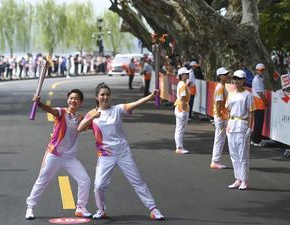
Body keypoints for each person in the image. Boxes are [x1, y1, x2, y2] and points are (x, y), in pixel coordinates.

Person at [77, 82, 164, 220]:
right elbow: (80, 128)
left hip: (123, 153)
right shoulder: (92, 114)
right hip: (105, 155)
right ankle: (101, 210)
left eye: (107, 95)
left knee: (137, 181)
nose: (105, 97)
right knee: (99, 185)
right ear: (97, 97)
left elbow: (135, 103)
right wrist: (93, 116)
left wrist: (151, 96)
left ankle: (153, 209)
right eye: (102, 95)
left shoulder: (117, 109)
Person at [25, 89, 92, 220]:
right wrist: (40, 104)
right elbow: (51, 110)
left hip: (70, 158)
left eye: (76, 99)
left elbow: (92, 126)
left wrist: (97, 116)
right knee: (42, 180)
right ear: (68, 100)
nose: (73, 100)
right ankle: (30, 207)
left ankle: (81, 208)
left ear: (80, 102)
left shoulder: (80, 119)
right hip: (54, 155)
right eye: (71, 98)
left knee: (85, 180)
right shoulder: (61, 112)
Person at [226, 70, 255, 190]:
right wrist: (227, 124)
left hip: (242, 124)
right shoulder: (231, 94)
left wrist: (250, 128)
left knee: (243, 155)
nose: (236, 81)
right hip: (232, 125)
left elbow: (251, 112)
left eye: (239, 79)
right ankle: (237, 179)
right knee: (233, 154)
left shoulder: (248, 95)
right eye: (234, 79)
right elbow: (228, 110)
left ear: (244, 80)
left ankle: (244, 180)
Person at [210, 67, 229, 169]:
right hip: (220, 116)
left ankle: (216, 160)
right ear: (219, 76)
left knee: (220, 138)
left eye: (226, 74)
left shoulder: (222, 86)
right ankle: (216, 160)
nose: (226, 76)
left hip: (221, 115)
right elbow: (217, 103)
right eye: (224, 74)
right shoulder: (220, 87)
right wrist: (219, 116)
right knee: (219, 139)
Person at [174, 67, 191, 154]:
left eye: (188, 73)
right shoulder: (183, 85)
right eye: (186, 74)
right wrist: (184, 110)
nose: (188, 75)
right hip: (182, 108)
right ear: (181, 75)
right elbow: (183, 98)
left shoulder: (182, 84)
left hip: (180, 107)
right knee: (180, 129)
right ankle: (179, 147)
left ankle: (179, 146)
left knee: (179, 128)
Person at [251, 63, 268, 147]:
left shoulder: (260, 79)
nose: (262, 72)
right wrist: (265, 100)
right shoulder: (256, 80)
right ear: (257, 70)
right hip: (259, 102)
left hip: (259, 102)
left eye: (263, 70)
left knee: (258, 122)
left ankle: (255, 139)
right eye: (261, 70)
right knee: (258, 122)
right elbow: (260, 93)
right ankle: (256, 140)